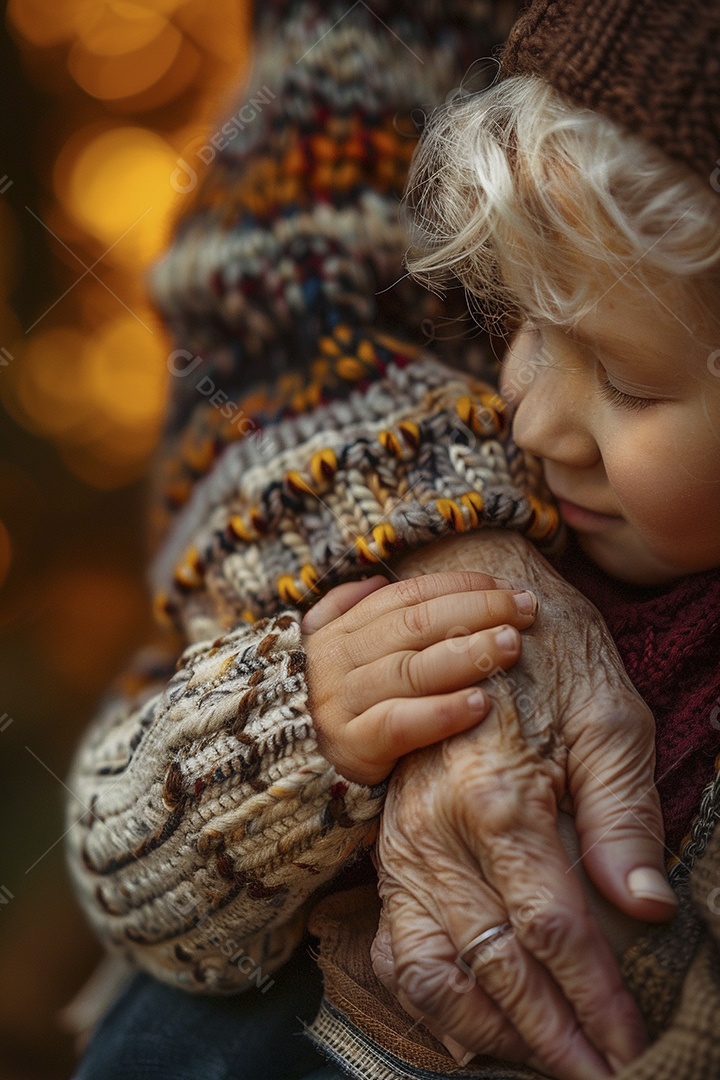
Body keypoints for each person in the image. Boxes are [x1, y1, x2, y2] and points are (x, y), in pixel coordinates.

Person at [63, 2, 715, 1079]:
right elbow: (125, 861)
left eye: (631, 381)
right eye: (516, 325)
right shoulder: (475, 523)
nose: (531, 417)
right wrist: (298, 726)